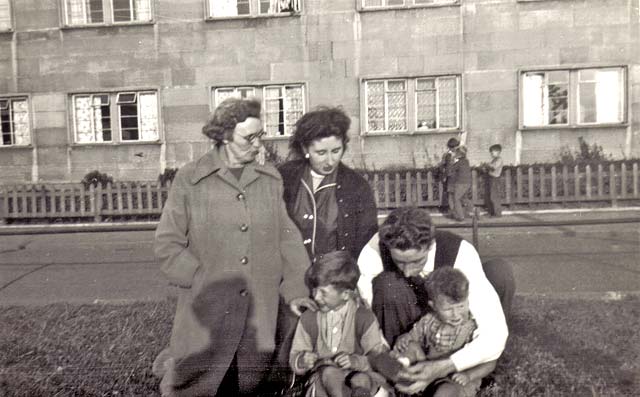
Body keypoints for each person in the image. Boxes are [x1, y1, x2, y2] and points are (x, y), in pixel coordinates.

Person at [151, 98, 313, 396]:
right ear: (224, 136)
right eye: (249, 138)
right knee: (199, 380)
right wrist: (199, 278)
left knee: (250, 382)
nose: (258, 145)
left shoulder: (269, 180)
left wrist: (296, 290)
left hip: (258, 309)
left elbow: (287, 239)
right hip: (207, 309)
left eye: (260, 135)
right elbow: (167, 243)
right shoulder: (191, 179)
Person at [357, 207, 514, 396]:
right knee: (388, 284)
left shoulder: (459, 252)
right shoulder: (372, 250)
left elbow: (494, 334)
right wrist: (385, 356)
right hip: (410, 325)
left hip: (452, 326)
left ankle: (476, 370)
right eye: (399, 262)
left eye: (416, 261)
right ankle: (402, 375)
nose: (406, 271)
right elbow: (368, 315)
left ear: (430, 245)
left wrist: (444, 366)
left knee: (499, 272)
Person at [279, 106, 378, 263]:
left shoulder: (356, 186)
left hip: (335, 276)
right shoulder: (284, 178)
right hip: (291, 273)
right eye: (321, 153)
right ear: (305, 149)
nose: (330, 161)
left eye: (336, 151)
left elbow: (365, 240)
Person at [289, 251, 390, 397]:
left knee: (361, 379)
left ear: (346, 295)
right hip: (324, 381)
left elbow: (377, 358)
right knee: (330, 373)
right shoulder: (308, 318)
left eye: (323, 293)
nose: (316, 297)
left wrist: (355, 361)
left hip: (360, 375)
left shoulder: (364, 317)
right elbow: (295, 355)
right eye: (314, 290)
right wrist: (302, 360)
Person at [391, 268, 497, 396]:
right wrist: (405, 338)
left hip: (456, 380)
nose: (456, 314)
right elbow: (413, 337)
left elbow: (490, 361)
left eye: (461, 306)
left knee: (445, 392)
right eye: (448, 309)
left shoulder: (473, 327)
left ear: (468, 301)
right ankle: (403, 375)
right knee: (410, 346)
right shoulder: (429, 321)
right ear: (433, 306)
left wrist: (468, 375)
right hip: (428, 370)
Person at [446, 146, 471, 222]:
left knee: (456, 199)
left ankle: (461, 216)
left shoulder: (459, 163)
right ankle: (474, 210)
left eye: (456, 153)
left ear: (459, 154)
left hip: (460, 183)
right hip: (467, 183)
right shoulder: (466, 161)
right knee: (464, 198)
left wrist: (451, 161)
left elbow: (450, 171)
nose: (455, 154)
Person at [437, 138, 460, 214]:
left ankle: (455, 210)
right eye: (453, 147)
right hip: (451, 177)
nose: (455, 148)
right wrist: (444, 173)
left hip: (456, 177)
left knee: (455, 194)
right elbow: (442, 165)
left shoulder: (458, 155)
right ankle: (452, 210)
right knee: (450, 193)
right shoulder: (447, 155)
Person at [484, 144, 503, 217]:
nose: (491, 153)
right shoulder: (494, 159)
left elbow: (494, 167)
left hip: (495, 179)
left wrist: (488, 164)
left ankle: (497, 213)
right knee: (491, 196)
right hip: (491, 178)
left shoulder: (499, 159)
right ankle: (492, 212)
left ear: (498, 151)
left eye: (493, 152)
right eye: (491, 152)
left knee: (494, 196)